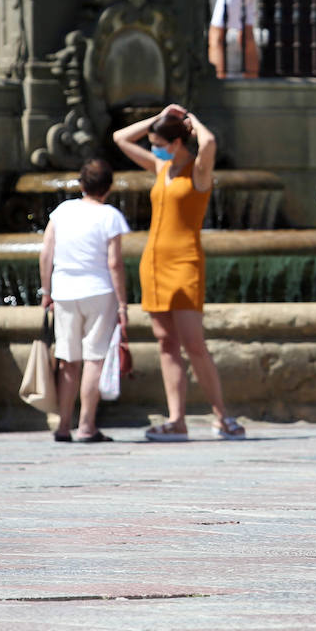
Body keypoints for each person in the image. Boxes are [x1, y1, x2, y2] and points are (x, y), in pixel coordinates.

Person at [112, 104, 246, 441]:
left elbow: (210, 141)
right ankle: (176, 420)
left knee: (193, 343)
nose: (153, 147)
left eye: (159, 141)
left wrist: (192, 120)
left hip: (185, 263)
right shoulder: (161, 165)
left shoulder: (198, 171)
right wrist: (157, 119)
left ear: (177, 142)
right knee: (165, 343)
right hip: (154, 263)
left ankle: (222, 417)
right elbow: (120, 137)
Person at [39, 158, 130, 444]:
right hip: (99, 291)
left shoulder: (62, 211)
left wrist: (46, 291)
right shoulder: (110, 216)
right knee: (94, 358)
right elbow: (115, 263)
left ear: (81, 184)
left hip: (64, 291)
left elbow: (46, 254)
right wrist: (124, 304)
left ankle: (63, 426)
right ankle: (87, 426)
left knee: (68, 360)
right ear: (109, 188)